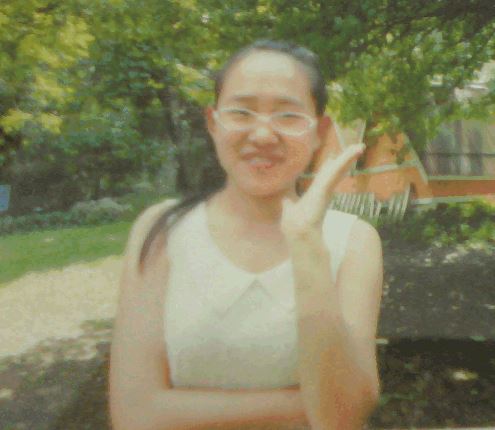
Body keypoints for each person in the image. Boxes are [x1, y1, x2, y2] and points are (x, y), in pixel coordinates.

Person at [109, 40, 383, 430]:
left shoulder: (353, 241)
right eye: (241, 112)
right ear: (213, 123)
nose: (263, 134)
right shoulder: (162, 232)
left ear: (320, 131)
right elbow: (135, 415)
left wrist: (307, 244)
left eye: (288, 115)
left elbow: (343, 418)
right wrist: (304, 403)